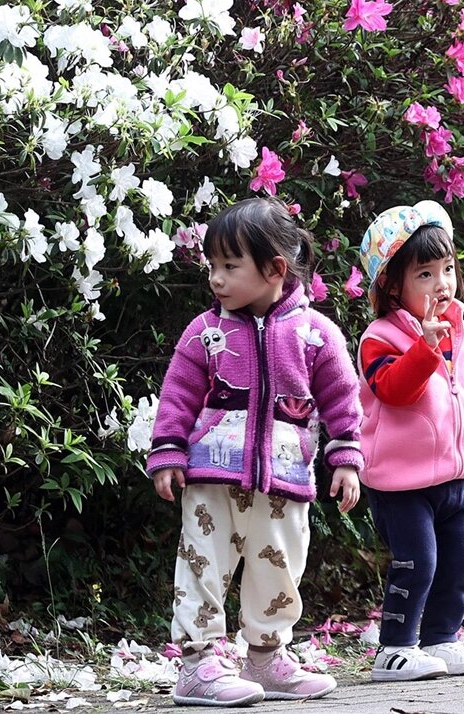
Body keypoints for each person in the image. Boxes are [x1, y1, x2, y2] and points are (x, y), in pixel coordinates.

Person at [146, 197, 364, 707]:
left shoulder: (316, 335)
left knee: (279, 567)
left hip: (284, 481)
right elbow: (177, 393)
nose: (216, 279)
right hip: (209, 479)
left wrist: (346, 459)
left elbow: (342, 401)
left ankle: (265, 659)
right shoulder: (206, 332)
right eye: (212, 267)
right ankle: (198, 665)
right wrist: (168, 453)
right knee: (202, 563)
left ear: (274, 270)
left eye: (229, 266)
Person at [355, 201, 464, 682]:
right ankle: (394, 649)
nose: (441, 283)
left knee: (459, 565)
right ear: (393, 286)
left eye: (447, 269)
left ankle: (444, 637)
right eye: (424, 274)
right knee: (417, 563)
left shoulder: (462, 332)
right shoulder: (380, 338)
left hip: (457, 476)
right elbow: (396, 392)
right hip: (401, 485)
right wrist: (423, 346)